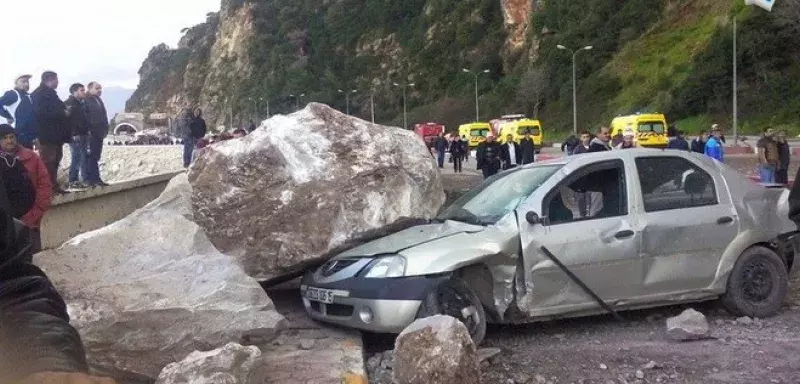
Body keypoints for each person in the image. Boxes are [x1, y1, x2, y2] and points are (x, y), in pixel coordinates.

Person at [0, 124, 51, 253]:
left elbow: (44, 185)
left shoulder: (32, 157)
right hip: (4, 226)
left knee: (33, 258)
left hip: (29, 221)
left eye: (12, 137)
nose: (9, 140)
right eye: (5, 138)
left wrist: (34, 214)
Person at [32, 71, 69, 194]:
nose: (58, 82)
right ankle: (47, 188)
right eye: (56, 79)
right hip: (47, 135)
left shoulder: (51, 94)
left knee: (55, 161)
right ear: (50, 79)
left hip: (56, 136)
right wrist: (61, 113)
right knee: (48, 162)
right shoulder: (39, 94)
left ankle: (54, 186)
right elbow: (40, 114)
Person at [84, 82, 110, 187]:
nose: (99, 90)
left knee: (96, 156)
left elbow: (103, 115)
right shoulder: (86, 100)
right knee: (92, 157)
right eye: (97, 88)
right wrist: (89, 130)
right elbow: (86, 117)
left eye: (100, 88)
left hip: (100, 133)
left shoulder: (98, 100)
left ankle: (96, 179)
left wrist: (106, 128)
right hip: (92, 133)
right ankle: (92, 179)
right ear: (89, 88)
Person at [0, 75, 36, 149]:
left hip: (30, 137)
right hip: (19, 136)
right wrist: (8, 116)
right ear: (16, 83)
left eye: (27, 81)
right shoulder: (13, 94)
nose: (26, 84)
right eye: (23, 81)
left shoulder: (28, 96)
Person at [65, 83, 90, 189]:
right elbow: (68, 121)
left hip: (84, 134)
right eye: (81, 90)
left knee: (83, 158)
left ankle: (85, 179)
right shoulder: (69, 103)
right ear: (74, 92)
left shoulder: (81, 103)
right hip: (75, 136)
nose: (84, 92)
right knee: (76, 157)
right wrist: (73, 133)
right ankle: (73, 180)